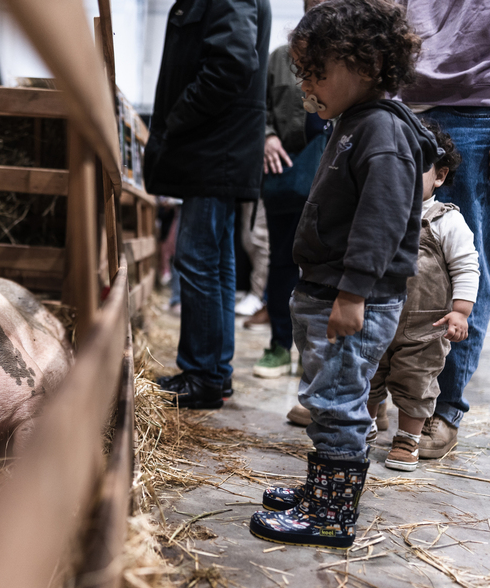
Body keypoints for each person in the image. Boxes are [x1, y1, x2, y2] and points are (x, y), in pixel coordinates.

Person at [250, 0, 440, 549]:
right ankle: (319, 492)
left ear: (366, 64)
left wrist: (353, 293)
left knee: (336, 404)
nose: (308, 83)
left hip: (350, 295)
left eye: (318, 72)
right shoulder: (355, 122)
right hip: (327, 288)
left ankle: (330, 515)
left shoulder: (380, 131)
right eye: (304, 72)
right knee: (326, 395)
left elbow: (380, 222)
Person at [144, 0, 272, 409]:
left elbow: (231, 63)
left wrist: (176, 118)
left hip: (215, 146)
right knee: (214, 263)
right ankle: (214, 373)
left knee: (198, 258)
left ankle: (202, 375)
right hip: (219, 148)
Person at [396, 0, 490, 459]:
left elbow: (468, 265)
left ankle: (442, 408)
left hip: (473, 106)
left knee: (461, 255)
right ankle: (364, 399)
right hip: (400, 101)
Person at [370, 121, 479, 472]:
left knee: (416, 383)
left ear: (440, 176)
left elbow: (466, 267)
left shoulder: (446, 221)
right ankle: (364, 425)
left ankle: (407, 438)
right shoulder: (379, 213)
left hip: (424, 327)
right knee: (367, 373)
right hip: (375, 316)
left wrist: (461, 311)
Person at [253, 0, 329, 378]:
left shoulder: (348, 58)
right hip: (285, 172)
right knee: (283, 259)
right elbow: (259, 105)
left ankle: (313, 352)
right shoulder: (280, 57)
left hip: (332, 174)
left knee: (324, 262)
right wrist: (266, 136)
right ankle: (280, 345)